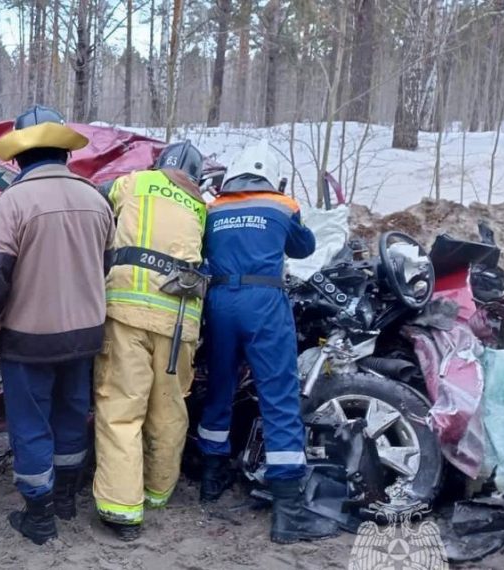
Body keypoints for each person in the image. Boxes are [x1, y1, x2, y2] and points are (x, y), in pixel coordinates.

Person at [0, 105, 114, 545]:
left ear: (18, 158)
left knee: (31, 424)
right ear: (64, 154)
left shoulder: (12, 203)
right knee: (72, 414)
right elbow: (105, 265)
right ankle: (68, 499)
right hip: (86, 335)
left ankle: (40, 516)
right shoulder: (96, 199)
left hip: (28, 341)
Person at [197, 141, 337, 544]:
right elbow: (304, 247)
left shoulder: (213, 209)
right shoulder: (282, 205)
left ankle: (211, 480)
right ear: (270, 177)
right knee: (278, 397)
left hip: (220, 302)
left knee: (219, 389)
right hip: (265, 303)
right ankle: (287, 515)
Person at [92, 141, 208, 541]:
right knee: (169, 408)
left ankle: (122, 508)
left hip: (126, 314)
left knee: (122, 408)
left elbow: (96, 196)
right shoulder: (200, 206)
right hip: (180, 325)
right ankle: (157, 491)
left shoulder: (135, 182)